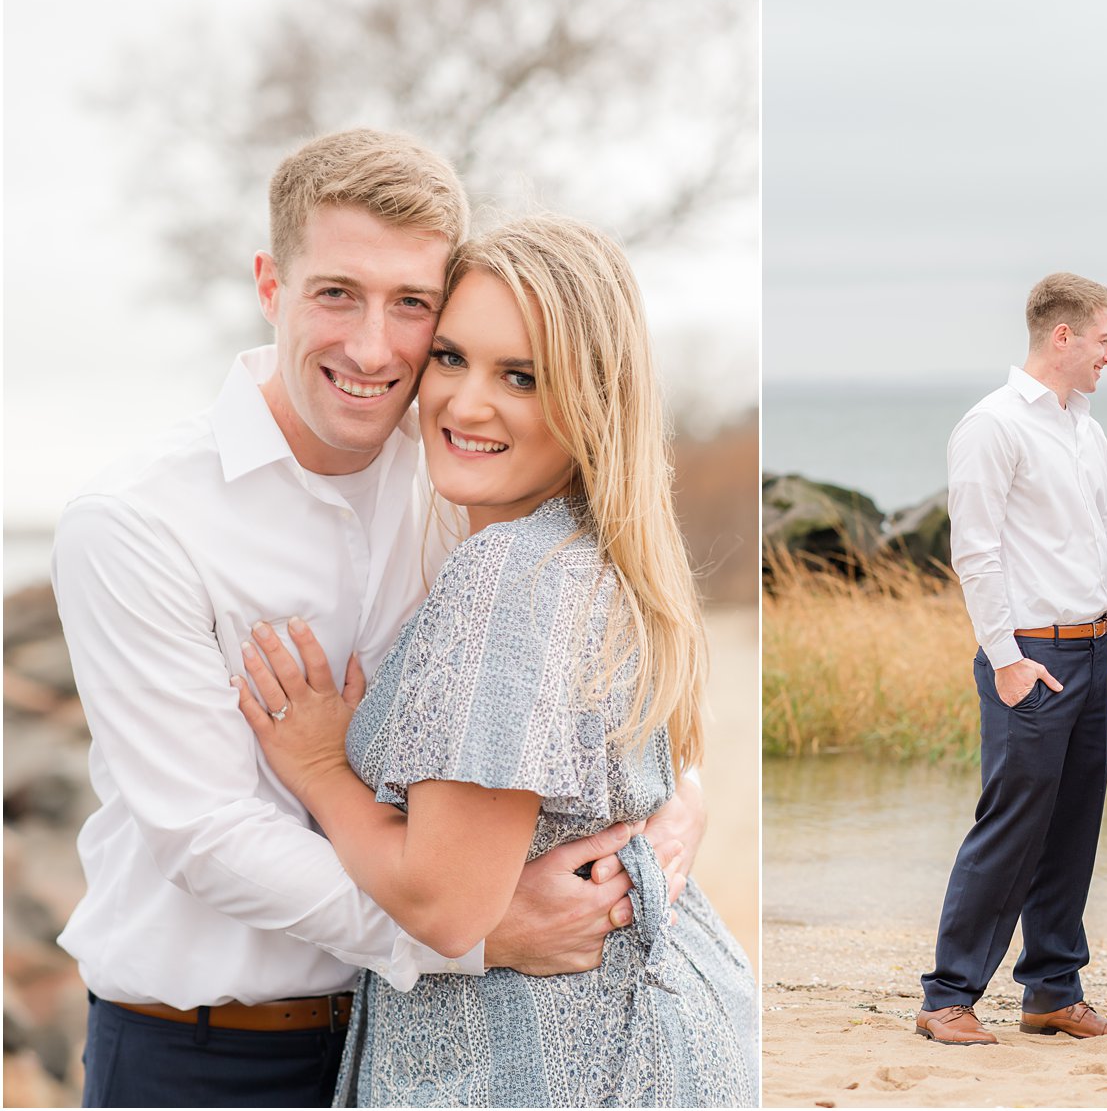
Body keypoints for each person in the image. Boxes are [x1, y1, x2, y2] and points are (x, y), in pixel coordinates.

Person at [50, 129, 705, 1108]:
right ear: (270, 284)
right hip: (204, 1054)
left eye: (410, 305)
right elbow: (206, 833)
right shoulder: (139, 521)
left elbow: (599, 655)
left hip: (418, 1046)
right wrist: (474, 936)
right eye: (335, 293)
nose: (372, 346)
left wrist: (676, 804)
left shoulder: (461, 461)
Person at [234, 215, 758, 1107]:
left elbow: (445, 906)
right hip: (658, 1026)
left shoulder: (508, 573)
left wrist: (322, 770)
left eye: (521, 376)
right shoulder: (590, 553)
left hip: (543, 1066)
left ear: (591, 398)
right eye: (449, 357)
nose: (466, 404)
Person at [916, 273, 1107, 1046]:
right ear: (1065, 336)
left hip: (1092, 655)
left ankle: (1052, 990)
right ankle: (947, 994)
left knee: (1073, 828)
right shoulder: (991, 426)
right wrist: (1008, 658)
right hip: (1034, 659)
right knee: (1012, 826)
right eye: (1105, 338)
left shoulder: (1088, 429)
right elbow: (975, 554)